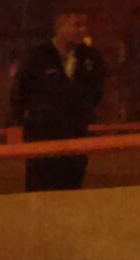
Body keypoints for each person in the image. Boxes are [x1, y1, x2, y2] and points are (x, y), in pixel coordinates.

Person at [9, 10, 107, 192]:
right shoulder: (37, 56)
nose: (83, 30)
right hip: (42, 135)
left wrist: (85, 112)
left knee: (71, 188)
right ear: (60, 27)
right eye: (77, 25)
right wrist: (18, 123)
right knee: (39, 188)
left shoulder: (90, 58)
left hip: (76, 134)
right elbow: (19, 92)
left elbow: (98, 89)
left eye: (84, 25)